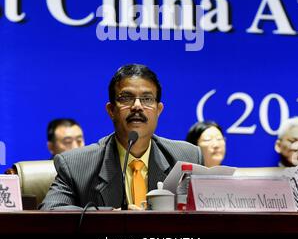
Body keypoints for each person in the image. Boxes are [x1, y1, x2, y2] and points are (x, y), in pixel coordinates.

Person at [40, 64, 203, 210]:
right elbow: (50, 210)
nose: (137, 106)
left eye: (147, 99)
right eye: (126, 98)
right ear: (111, 110)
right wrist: (108, 218)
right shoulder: (76, 165)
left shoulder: (187, 158)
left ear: (159, 110)